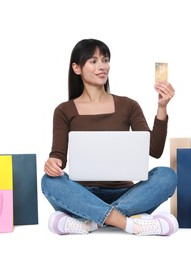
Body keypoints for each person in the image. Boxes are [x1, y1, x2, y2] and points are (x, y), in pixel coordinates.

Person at [41, 38, 178, 236]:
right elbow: (58, 157)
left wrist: (162, 107)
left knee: (167, 175)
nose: (102, 66)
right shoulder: (64, 110)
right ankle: (128, 223)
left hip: (125, 194)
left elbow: (155, 150)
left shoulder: (128, 105)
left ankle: (89, 221)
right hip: (81, 193)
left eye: (105, 60)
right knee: (49, 181)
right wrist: (52, 163)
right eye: (93, 61)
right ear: (77, 68)